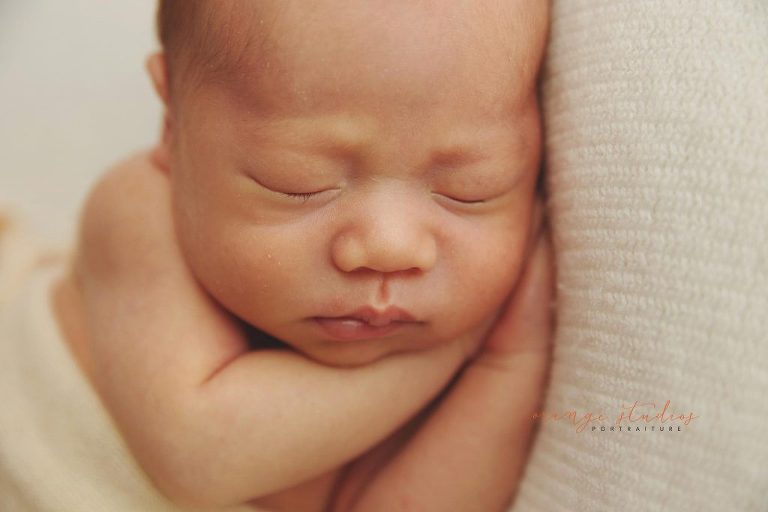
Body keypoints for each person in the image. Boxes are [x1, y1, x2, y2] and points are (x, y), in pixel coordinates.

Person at [1, 1, 553, 510]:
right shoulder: (140, 210)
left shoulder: (426, 357)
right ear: (173, 122)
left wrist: (512, 364)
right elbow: (199, 455)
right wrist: (461, 347)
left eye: (471, 189)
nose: (389, 248)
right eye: (299, 181)